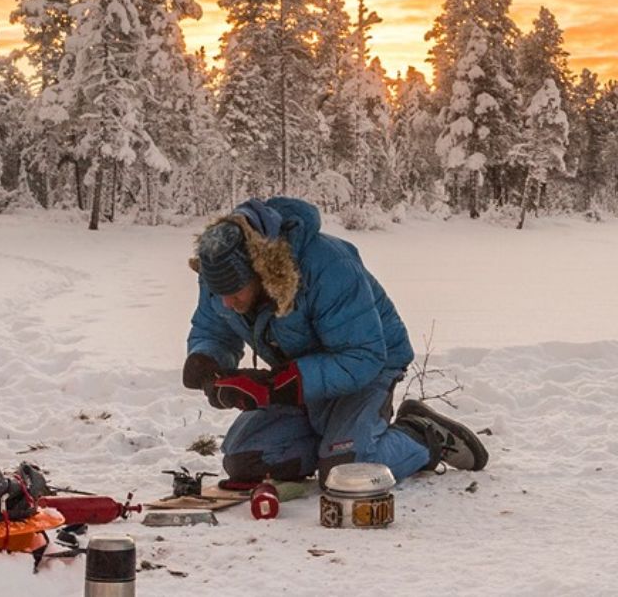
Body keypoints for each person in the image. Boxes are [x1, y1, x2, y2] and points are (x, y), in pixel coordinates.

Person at [182, 196, 489, 485]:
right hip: (300, 377)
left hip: (370, 366)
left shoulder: (328, 266)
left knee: (347, 472)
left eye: (235, 292)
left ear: (261, 272)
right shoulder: (220, 270)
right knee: (245, 461)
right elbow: (213, 331)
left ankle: (420, 435)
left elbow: (363, 356)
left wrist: (276, 386)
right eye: (218, 293)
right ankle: (338, 441)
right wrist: (207, 362)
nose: (226, 302)